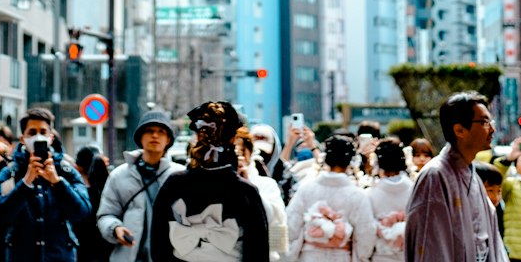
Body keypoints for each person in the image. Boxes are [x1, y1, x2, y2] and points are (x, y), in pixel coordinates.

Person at [149, 101, 268, 262]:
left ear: (198, 136)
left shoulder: (174, 184)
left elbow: (158, 246)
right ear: (233, 138)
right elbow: (257, 252)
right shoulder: (245, 191)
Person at [403, 93, 506, 262]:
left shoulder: (472, 174)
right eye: (484, 122)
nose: (492, 129)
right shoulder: (435, 176)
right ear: (460, 130)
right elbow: (431, 248)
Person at [0, 107, 91, 262]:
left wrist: (57, 183)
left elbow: (82, 212)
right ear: (22, 138)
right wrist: (25, 183)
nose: (38, 137)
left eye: (43, 132)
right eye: (32, 132)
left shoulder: (66, 171)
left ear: (51, 137)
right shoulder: (10, 173)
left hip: (60, 255)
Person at [97, 109, 184, 262]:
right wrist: (115, 228)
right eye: (149, 131)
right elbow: (106, 214)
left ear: (169, 139)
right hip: (129, 254)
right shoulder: (119, 175)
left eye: (161, 131)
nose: (155, 135)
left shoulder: (180, 176)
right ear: (140, 137)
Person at [286, 134, 375, 262]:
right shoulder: (357, 195)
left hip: (309, 256)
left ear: (326, 158)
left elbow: (291, 227)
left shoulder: (306, 189)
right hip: (342, 256)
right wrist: (361, 255)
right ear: (351, 161)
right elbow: (366, 234)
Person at [234, 128, 286, 262]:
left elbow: (275, 218)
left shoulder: (267, 184)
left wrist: (248, 185)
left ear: (250, 153)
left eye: (241, 152)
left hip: (261, 253)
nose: (238, 158)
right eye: (233, 153)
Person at [368, 139, 413, 259]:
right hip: (409, 254)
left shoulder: (371, 194)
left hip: (381, 255)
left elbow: (367, 231)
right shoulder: (415, 189)